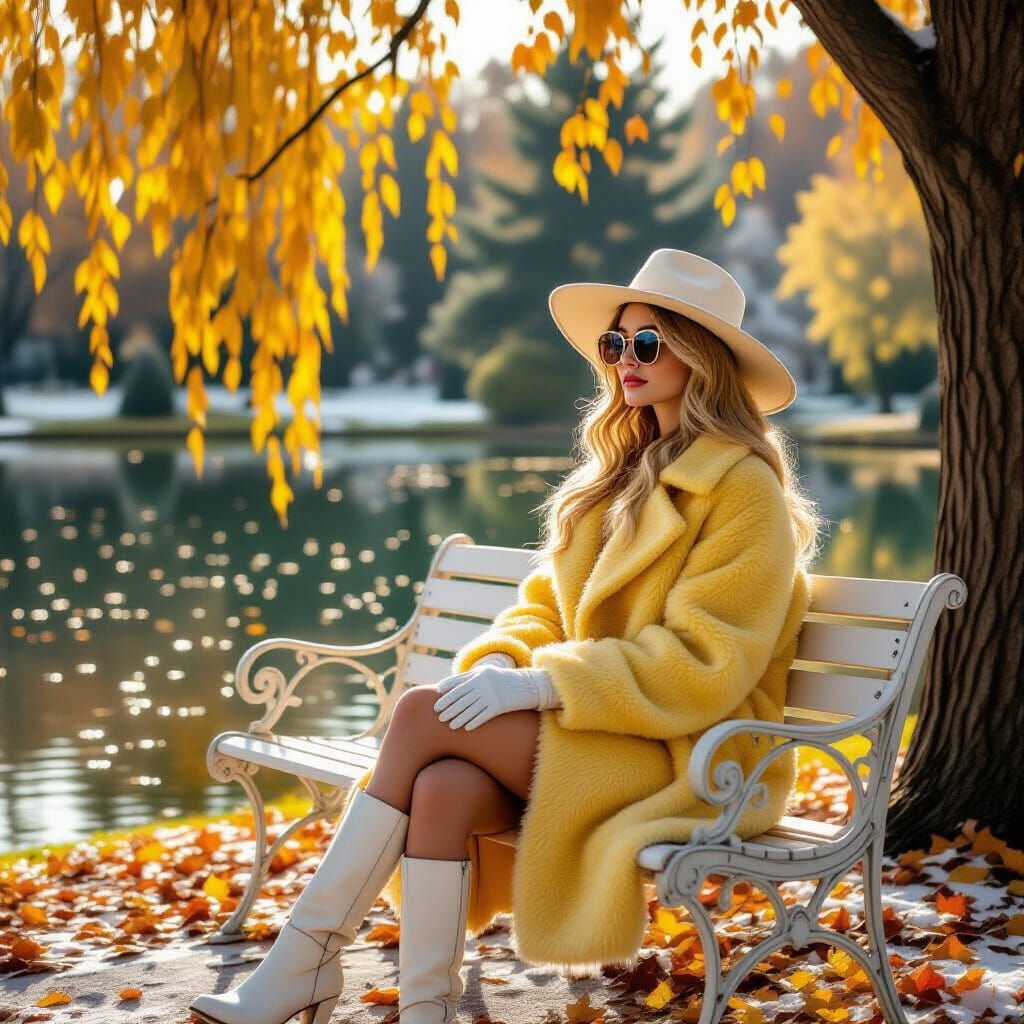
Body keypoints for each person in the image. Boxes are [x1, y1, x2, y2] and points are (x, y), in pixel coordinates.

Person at [189, 248, 823, 1024]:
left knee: (421, 715)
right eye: (614, 344)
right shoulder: (615, 478)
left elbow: (707, 663)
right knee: (441, 786)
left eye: (647, 343)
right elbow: (538, 612)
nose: (625, 359)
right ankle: (426, 1010)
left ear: (701, 359)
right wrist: (497, 664)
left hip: (692, 752)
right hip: (610, 724)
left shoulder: (743, 489)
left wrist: (535, 685)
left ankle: (306, 958)